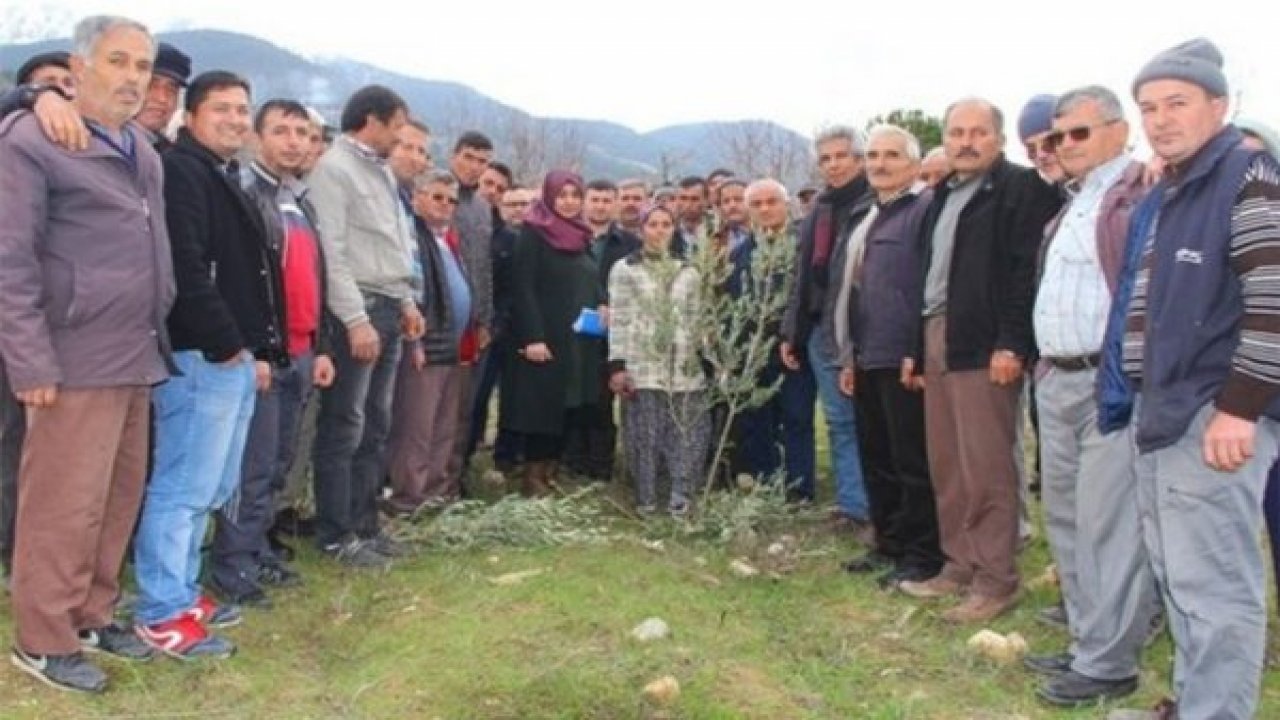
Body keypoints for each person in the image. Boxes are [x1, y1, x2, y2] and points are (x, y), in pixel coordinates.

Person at [1098, 38, 1280, 720]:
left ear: (1220, 105)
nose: (1160, 119)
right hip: (1164, 409)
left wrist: (1239, 408)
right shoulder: (1176, 187)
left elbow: (1274, 299)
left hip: (1212, 416)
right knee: (1181, 574)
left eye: (1177, 103)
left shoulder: (1247, 176)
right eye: (1148, 107)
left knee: (1216, 584)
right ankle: (1197, 702)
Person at [0, 14, 174, 692]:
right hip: (72, 356)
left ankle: (93, 613)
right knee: (62, 502)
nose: (133, 77)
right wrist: (30, 360)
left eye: (142, 66)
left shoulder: (142, 148)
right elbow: (9, 261)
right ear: (77, 70)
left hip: (136, 353)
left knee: (116, 495)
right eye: (119, 62)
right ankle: (43, 639)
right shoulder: (32, 138)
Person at [132, 70, 284, 660]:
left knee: (211, 486)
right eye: (221, 108)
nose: (235, 119)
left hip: (233, 358)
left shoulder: (222, 174)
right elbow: (185, 269)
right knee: (182, 488)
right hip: (201, 356)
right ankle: (160, 612)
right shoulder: (181, 172)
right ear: (190, 117)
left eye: (243, 109)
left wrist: (256, 349)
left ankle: (182, 591)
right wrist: (225, 343)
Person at [1018, 86, 1158, 707]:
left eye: (1078, 133)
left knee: (1109, 523)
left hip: (1111, 380)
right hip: (1058, 377)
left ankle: (1110, 661)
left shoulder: (1143, 192)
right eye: (1055, 137)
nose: (1063, 146)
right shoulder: (1070, 203)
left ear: (1118, 129)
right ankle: (1086, 638)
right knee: (1068, 518)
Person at [897, 98, 1061, 623]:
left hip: (985, 343)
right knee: (948, 463)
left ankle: (996, 580)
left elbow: (1023, 274)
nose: (965, 141)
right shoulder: (941, 193)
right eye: (956, 132)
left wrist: (1012, 343)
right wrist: (914, 350)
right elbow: (923, 278)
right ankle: (959, 565)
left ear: (999, 138)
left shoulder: (1019, 190)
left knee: (987, 466)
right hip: (935, 336)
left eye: (978, 132)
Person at [207, 99, 336, 605]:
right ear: (258, 136)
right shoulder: (244, 193)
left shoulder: (300, 201)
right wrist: (255, 349)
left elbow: (314, 280)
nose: (294, 141)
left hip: (303, 352)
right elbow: (240, 283)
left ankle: (257, 548)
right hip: (265, 356)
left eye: (303, 133)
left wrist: (323, 346)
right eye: (281, 130)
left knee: (279, 463)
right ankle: (231, 565)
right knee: (252, 466)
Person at [306, 85, 424, 568]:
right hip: (356, 311)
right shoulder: (334, 170)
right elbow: (330, 251)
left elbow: (395, 243)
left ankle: (364, 523)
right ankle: (335, 534)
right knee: (345, 425)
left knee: (376, 425)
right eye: (396, 126)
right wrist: (355, 319)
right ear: (370, 121)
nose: (400, 137)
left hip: (389, 306)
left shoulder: (379, 172)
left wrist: (408, 299)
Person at [833, 125, 942, 590]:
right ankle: (888, 543)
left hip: (902, 357)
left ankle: (922, 555)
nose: (880, 163)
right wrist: (848, 357)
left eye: (892, 155)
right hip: (866, 355)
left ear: (913, 165)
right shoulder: (868, 216)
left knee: (910, 461)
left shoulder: (923, 212)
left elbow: (928, 287)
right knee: (876, 456)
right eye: (873, 154)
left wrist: (916, 351)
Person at [780, 125, 873, 532]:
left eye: (841, 156)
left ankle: (871, 505)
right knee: (837, 421)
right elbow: (804, 277)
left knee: (864, 420)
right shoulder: (819, 210)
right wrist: (792, 332)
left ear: (859, 159)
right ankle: (853, 505)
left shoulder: (874, 204)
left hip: (859, 329)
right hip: (819, 329)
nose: (833, 165)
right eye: (826, 158)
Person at [500, 171, 605, 495]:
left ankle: (549, 472)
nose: (570, 201)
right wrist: (533, 337)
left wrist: (603, 304)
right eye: (563, 195)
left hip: (577, 338)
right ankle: (532, 478)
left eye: (575, 194)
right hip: (545, 335)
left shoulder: (581, 234)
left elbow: (589, 278)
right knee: (540, 407)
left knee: (567, 405)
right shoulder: (534, 233)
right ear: (549, 197)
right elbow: (523, 287)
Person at [609, 205, 709, 514]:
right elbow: (620, 318)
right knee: (644, 433)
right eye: (653, 224)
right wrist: (617, 365)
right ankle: (646, 499)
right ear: (641, 229)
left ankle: (681, 497)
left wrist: (706, 356)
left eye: (666, 224)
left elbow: (698, 317)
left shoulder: (688, 271)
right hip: (643, 363)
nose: (660, 230)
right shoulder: (626, 269)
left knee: (685, 433)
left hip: (683, 365)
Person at [387, 172, 478, 511]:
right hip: (424, 346)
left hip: (452, 348)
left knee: (443, 427)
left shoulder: (447, 240)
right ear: (418, 198)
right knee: (416, 429)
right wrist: (415, 343)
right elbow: (409, 291)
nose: (445, 205)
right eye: (437, 197)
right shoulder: (413, 237)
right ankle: (408, 499)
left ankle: (436, 494)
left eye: (452, 200)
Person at [730, 180, 817, 501]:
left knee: (797, 419)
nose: (765, 210)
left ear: (786, 204)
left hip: (793, 348)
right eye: (757, 204)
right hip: (753, 352)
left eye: (772, 202)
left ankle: (799, 490)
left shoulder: (802, 247)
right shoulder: (741, 252)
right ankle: (765, 485)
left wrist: (793, 337)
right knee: (757, 419)